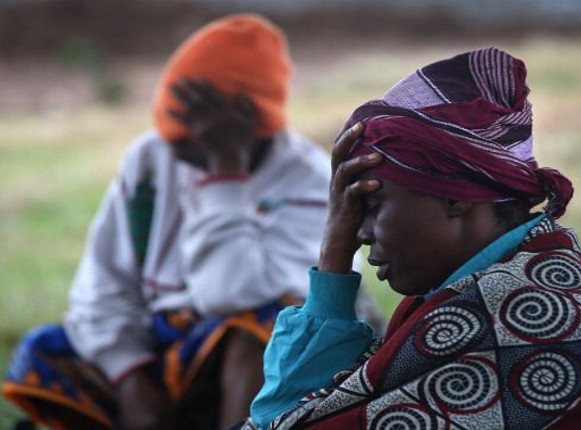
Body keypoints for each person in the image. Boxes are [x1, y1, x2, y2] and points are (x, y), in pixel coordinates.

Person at [242, 48, 581, 429]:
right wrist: (333, 254)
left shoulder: (528, 313)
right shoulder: (517, 280)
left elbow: (285, 419)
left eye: (373, 207)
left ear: (455, 199)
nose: (357, 234)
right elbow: (293, 412)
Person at [3, 14, 383, 430]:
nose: (180, 146)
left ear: (247, 121)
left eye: (202, 130)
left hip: (258, 375)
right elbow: (101, 289)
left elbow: (231, 294)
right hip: (162, 356)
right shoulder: (150, 161)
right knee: (45, 350)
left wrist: (225, 176)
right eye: (177, 129)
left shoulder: (307, 179)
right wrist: (130, 376)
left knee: (260, 329)